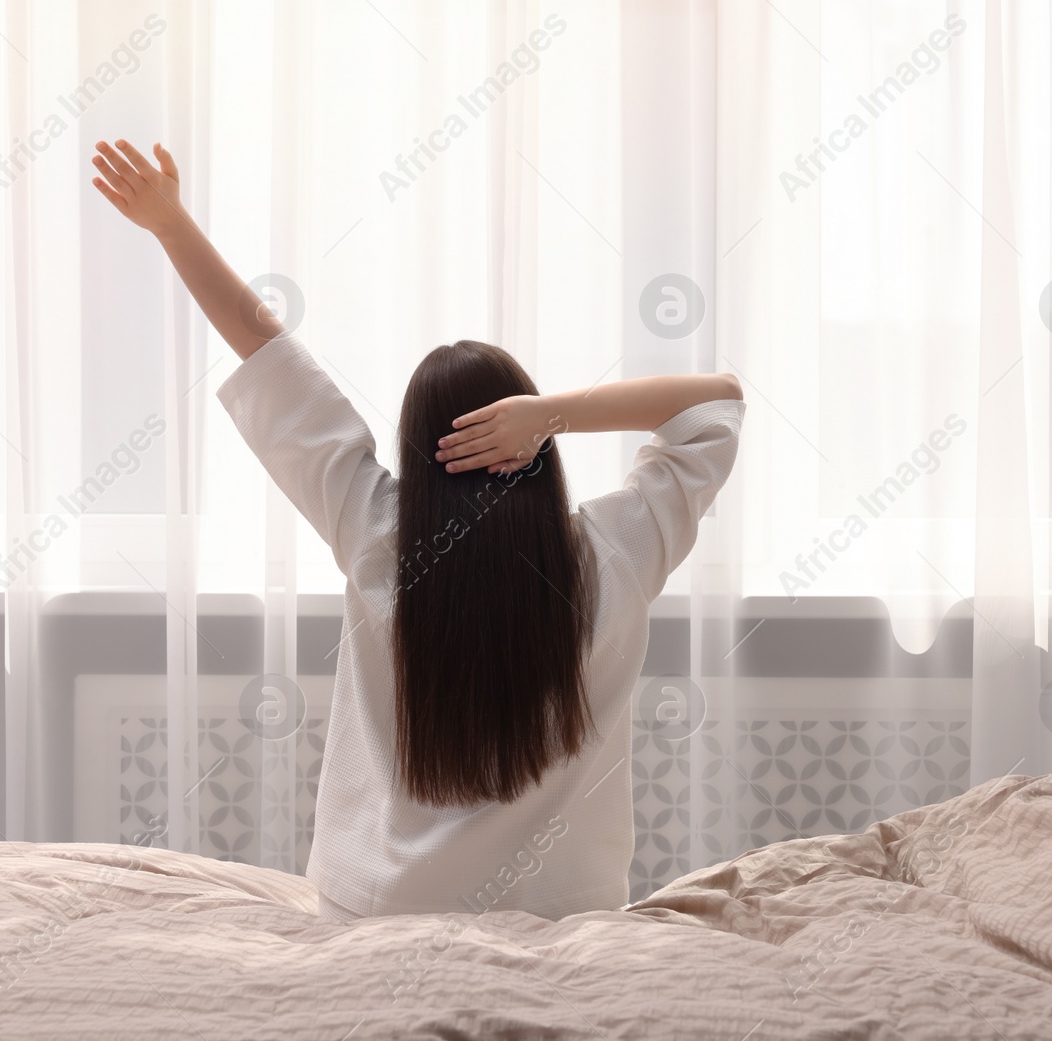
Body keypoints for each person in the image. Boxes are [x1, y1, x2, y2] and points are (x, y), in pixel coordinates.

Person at [92, 139, 745, 921]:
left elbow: (267, 351)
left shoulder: (376, 531)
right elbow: (716, 405)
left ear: (417, 453)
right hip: (567, 918)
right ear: (538, 452)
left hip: (378, 913)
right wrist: (554, 415)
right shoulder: (615, 554)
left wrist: (170, 225)